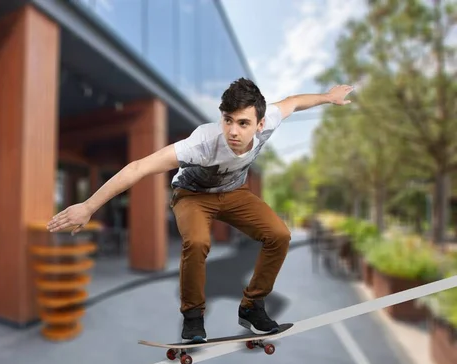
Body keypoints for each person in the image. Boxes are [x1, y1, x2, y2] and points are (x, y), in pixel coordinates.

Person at [47, 78, 354, 341]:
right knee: (196, 242)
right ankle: (193, 314)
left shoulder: (269, 118)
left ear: (260, 124)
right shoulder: (202, 142)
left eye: (243, 124)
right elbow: (138, 167)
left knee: (279, 235)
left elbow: (294, 102)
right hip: (192, 195)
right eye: (228, 120)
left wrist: (328, 97)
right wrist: (89, 205)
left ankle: (251, 306)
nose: (233, 132)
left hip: (234, 193)